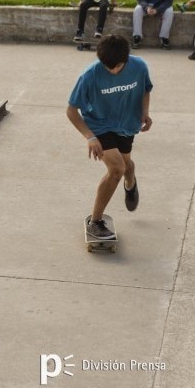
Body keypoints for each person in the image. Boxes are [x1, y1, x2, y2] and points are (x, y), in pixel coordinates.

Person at [66, 35, 153, 240]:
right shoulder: (89, 75)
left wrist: (145, 112)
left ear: (127, 59)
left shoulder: (139, 67)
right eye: (108, 67)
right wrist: (90, 137)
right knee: (116, 169)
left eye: (117, 67)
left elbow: (146, 90)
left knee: (126, 164)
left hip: (127, 124)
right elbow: (71, 110)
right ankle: (95, 221)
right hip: (99, 125)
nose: (113, 71)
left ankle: (130, 181)